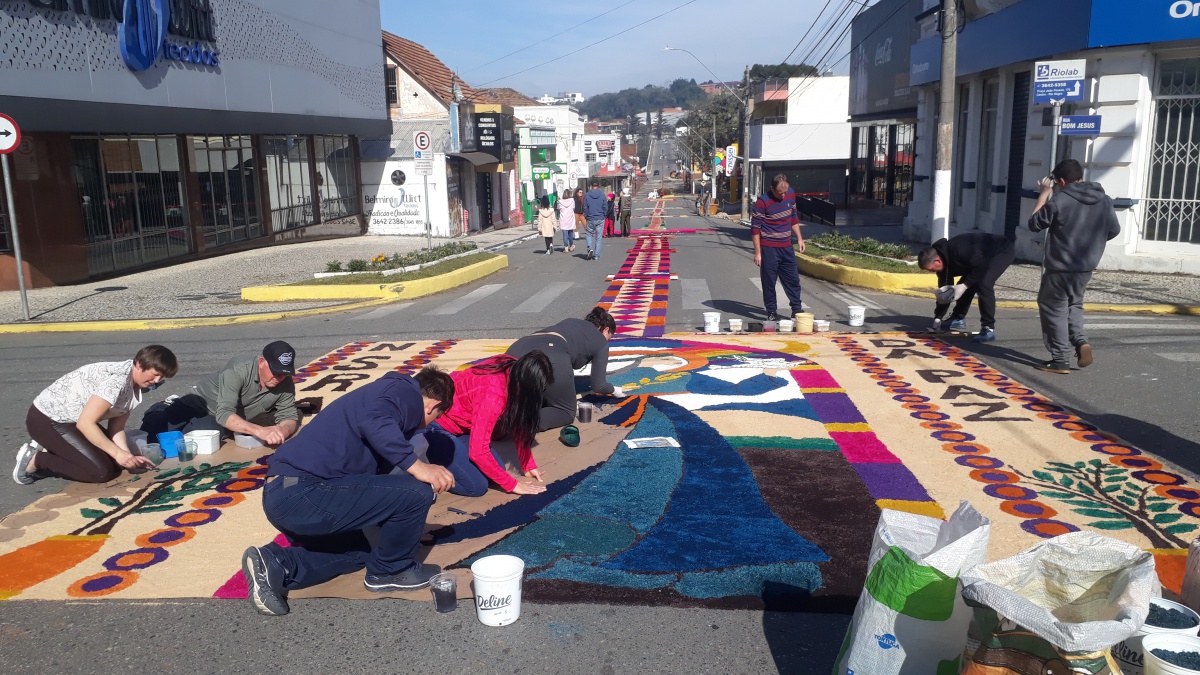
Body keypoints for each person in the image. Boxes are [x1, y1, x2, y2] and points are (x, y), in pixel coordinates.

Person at [242, 367, 456, 616]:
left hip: (290, 496)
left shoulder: (383, 394)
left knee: (358, 553)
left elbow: (373, 493)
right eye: (436, 417)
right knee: (418, 489)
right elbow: (375, 421)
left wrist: (403, 532)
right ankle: (393, 570)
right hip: (302, 493)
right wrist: (419, 467)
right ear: (433, 406)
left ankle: (275, 564)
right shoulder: (405, 394)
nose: (427, 424)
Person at [14, 345, 178, 485]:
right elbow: (86, 424)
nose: (157, 381)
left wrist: (127, 457)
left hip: (73, 420)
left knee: (117, 465)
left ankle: (59, 448)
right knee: (99, 472)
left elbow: (117, 427)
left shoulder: (135, 383)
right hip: (48, 420)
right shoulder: (117, 382)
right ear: (140, 364)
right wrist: (118, 453)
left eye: (162, 377)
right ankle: (36, 460)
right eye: (155, 374)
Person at [1028, 159, 1121, 374]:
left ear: (1061, 181)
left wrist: (1044, 194)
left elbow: (1034, 224)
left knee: (1053, 307)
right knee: (1074, 304)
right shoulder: (1104, 199)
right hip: (1085, 266)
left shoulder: (1060, 200)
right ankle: (1080, 342)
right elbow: (1113, 230)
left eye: (1057, 184)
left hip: (1060, 266)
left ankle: (1060, 359)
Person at [423, 352, 552, 498]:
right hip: (435, 426)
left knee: (497, 471)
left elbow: (519, 413)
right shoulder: (493, 395)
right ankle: (426, 468)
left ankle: (446, 457)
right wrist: (513, 485)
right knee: (476, 487)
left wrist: (527, 463)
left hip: (460, 427)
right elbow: (478, 452)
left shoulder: (514, 365)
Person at [140, 341, 300, 446]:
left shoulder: (285, 381)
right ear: (261, 362)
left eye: (284, 374)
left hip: (217, 420)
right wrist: (260, 431)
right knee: (153, 437)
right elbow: (225, 413)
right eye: (275, 372)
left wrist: (283, 430)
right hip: (196, 405)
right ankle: (161, 409)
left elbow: (289, 415)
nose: (279, 378)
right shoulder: (238, 369)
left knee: (205, 437)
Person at [506, 307, 623, 432]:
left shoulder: (570, 321)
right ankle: (516, 422)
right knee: (565, 411)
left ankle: (494, 414)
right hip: (551, 354)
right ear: (606, 329)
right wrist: (615, 390)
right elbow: (599, 386)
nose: (607, 341)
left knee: (511, 398)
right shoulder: (601, 341)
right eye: (609, 338)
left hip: (517, 349)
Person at [917, 232, 1015, 343]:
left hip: (1000, 250)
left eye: (932, 269)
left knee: (983, 283)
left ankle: (988, 328)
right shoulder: (943, 267)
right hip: (977, 261)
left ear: (937, 260)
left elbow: (981, 267)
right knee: (965, 284)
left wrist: (965, 285)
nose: (932, 272)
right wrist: (938, 316)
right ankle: (958, 318)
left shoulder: (959, 250)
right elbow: (945, 293)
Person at [751, 174, 806, 322]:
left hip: (787, 246)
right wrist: (758, 253)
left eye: (785, 191)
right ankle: (771, 311)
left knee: (793, 279)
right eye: (780, 192)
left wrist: (799, 238)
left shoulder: (790, 194)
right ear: (772, 189)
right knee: (769, 281)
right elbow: (755, 229)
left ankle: (796, 309)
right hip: (769, 248)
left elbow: (793, 217)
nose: (783, 195)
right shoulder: (762, 203)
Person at [583, 181, 608, 260]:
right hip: (600, 218)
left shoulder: (587, 195)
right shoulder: (602, 195)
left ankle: (590, 248)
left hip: (590, 217)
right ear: (598, 186)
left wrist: (586, 216)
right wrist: (604, 215)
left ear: (591, 186)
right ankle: (596, 255)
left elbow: (585, 207)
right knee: (598, 237)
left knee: (589, 234)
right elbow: (605, 206)